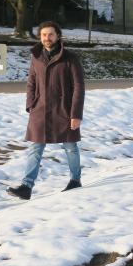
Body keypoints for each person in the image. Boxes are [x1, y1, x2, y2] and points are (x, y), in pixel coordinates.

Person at [7, 21, 85, 200]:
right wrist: (31, 104)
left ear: (58, 36)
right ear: (39, 37)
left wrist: (75, 114)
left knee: (70, 146)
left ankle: (75, 180)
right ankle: (26, 186)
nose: (47, 38)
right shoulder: (36, 57)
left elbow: (79, 87)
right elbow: (31, 82)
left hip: (64, 110)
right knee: (35, 147)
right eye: (43, 35)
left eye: (50, 34)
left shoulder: (70, 58)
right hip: (40, 110)